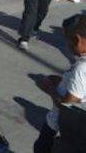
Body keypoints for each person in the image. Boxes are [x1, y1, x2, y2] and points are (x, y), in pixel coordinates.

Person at [33, 14, 86, 153]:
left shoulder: (82, 68)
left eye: (68, 41)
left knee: (41, 148)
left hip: (59, 128)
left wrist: (50, 89)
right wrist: (61, 81)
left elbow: (69, 106)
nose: (67, 46)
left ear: (77, 40)